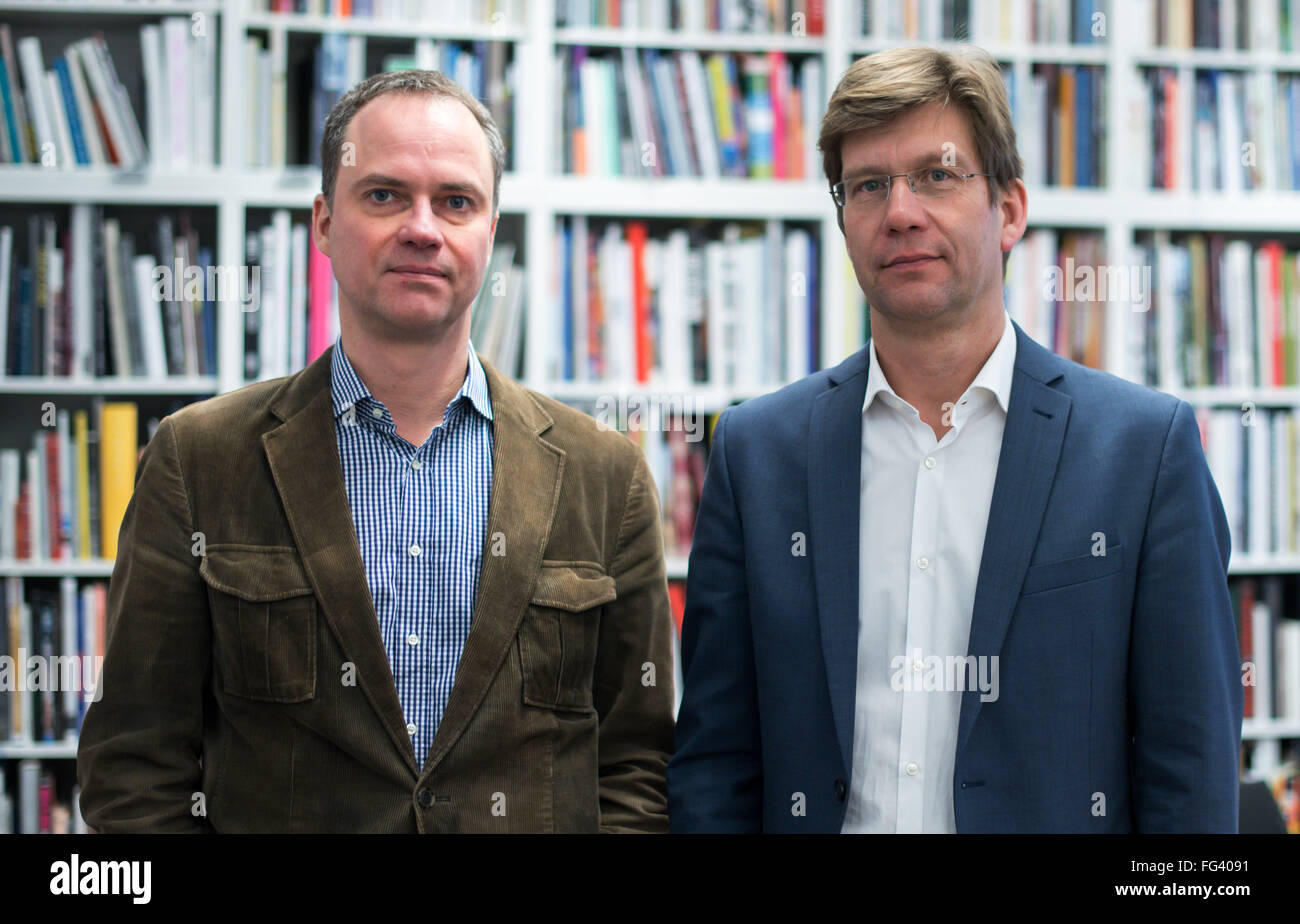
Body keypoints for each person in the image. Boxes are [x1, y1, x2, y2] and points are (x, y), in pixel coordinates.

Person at [77, 70, 675, 833]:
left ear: (490, 233)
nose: (422, 228)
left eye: (456, 202)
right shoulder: (198, 461)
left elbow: (635, 767)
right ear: (323, 223)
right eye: (385, 195)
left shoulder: (606, 476)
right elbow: (135, 763)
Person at [667, 46, 1242, 833]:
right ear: (843, 221)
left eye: (937, 175)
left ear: (1009, 209)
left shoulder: (1144, 453)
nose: (900, 211)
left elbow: (1192, 776)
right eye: (868, 185)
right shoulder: (757, 452)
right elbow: (716, 762)